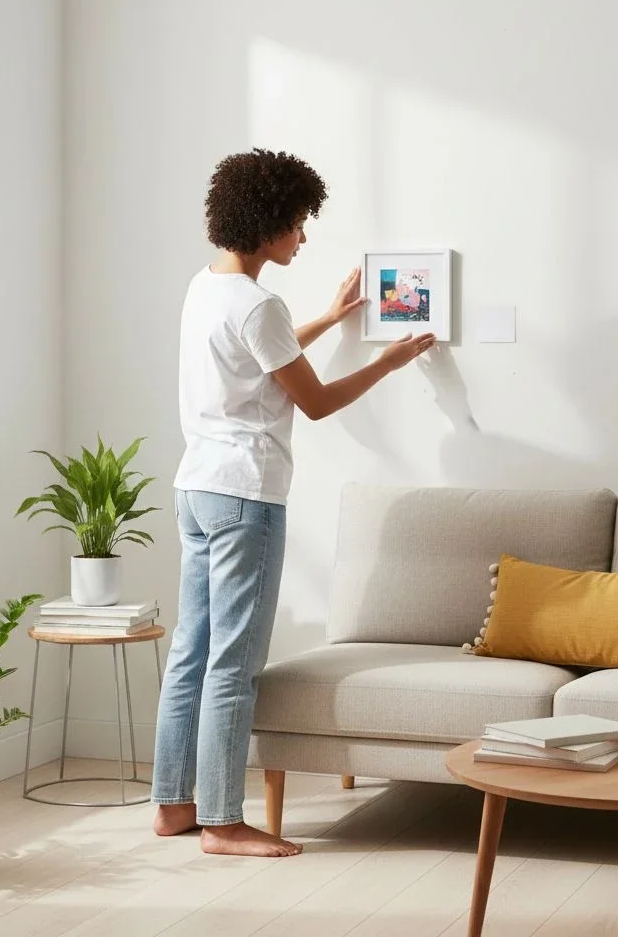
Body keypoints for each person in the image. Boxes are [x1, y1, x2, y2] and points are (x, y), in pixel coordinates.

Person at [151, 148, 435, 857]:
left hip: (196, 488)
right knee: (233, 662)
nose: (303, 238)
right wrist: (388, 361)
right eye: (299, 224)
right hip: (246, 496)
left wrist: (332, 320)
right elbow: (313, 400)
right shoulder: (258, 303)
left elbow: (263, 357)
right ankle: (222, 820)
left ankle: (173, 806)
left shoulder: (205, 288)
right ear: (268, 221)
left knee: (191, 651)